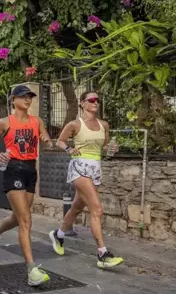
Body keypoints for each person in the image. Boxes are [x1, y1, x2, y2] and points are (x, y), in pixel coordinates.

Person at [0, 85, 52, 286]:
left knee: (17, 217)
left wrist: (47, 141)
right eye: (23, 97)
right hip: (13, 168)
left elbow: (46, 141)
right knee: (25, 219)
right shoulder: (5, 122)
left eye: (30, 97)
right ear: (13, 100)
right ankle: (32, 271)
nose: (27, 100)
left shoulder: (36, 121)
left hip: (31, 169)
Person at [50, 91, 124, 269]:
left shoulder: (103, 124)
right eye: (91, 100)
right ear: (82, 103)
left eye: (97, 100)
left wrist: (112, 148)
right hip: (79, 168)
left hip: (95, 168)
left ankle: (58, 234)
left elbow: (105, 147)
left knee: (76, 208)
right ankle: (102, 254)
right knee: (96, 209)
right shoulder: (75, 124)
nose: (95, 102)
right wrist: (69, 149)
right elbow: (59, 141)